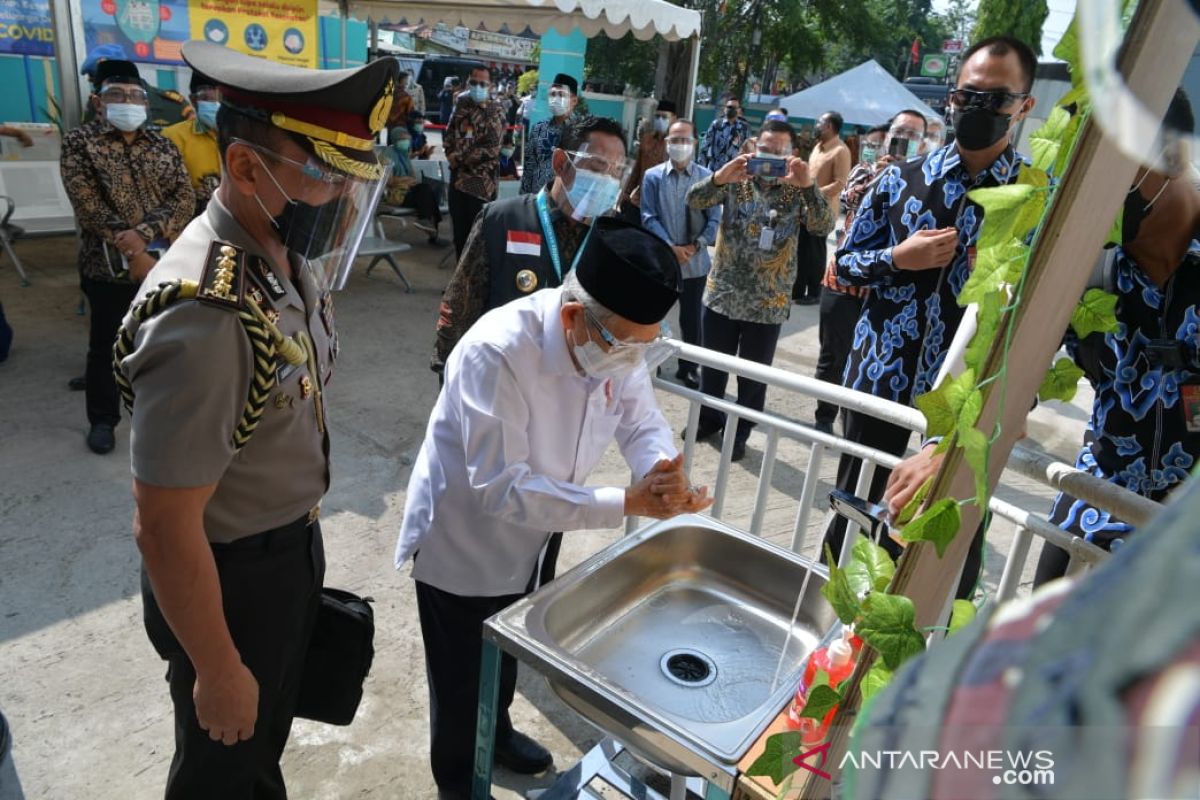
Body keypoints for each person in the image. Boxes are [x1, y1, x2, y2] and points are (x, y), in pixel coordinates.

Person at [114, 42, 397, 798]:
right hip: (229, 577)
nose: (339, 196)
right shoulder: (206, 315)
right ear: (245, 168)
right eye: (325, 173)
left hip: (284, 551)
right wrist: (216, 666)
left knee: (261, 743)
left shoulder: (277, 253)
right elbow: (166, 527)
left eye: (350, 178)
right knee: (224, 765)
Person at [398, 217, 712, 800]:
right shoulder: (499, 350)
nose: (633, 361)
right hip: (465, 536)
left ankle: (500, 730)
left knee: (513, 640)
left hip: (548, 522)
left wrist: (663, 472)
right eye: (626, 346)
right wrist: (627, 500)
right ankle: (459, 782)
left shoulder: (616, 343)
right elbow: (499, 487)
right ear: (573, 317)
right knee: (461, 672)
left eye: (646, 347)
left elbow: (640, 420)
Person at [821, 35, 1038, 599]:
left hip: (963, 410)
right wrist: (899, 257)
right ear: (951, 98)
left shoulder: (1035, 202)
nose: (979, 110)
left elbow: (1040, 321)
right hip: (881, 388)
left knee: (939, 551)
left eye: (996, 99)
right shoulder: (899, 180)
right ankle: (829, 657)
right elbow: (844, 264)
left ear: (1024, 106)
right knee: (855, 529)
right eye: (968, 96)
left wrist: (1011, 405)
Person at [1030, 89, 1200, 587]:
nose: (1085, 195)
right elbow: (1013, 372)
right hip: (1092, 513)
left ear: (1171, 154)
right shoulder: (1087, 271)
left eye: (1105, 171)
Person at [60, 59, 194, 456]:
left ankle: (164, 419)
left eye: (136, 96)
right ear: (98, 102)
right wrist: (133, 249)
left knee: (164, 345)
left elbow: (183, 197)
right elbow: (88, 205)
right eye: (117, 95)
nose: (128, 103)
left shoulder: (163, 145)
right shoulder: (79, 143)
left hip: (162, 263)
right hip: (105, 267)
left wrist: (146, 239)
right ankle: (103, 420)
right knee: (107, 348)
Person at [433, 115, 629, 377]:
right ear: (560, 162)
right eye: (596, 167)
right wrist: (449, 379)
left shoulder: (612, 239)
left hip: (569, 389)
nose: (607, 179)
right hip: (502, 379)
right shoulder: (501, 221)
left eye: (616, 172)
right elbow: (460, 309)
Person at [686, 119, 834, 462]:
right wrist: (720, 177)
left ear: (792, 155)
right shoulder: (737, 181)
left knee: (753, 378)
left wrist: (809, 185)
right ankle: (709, 419)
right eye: (764, 150)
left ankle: (740, 433)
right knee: (713, 369)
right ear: (754, 148)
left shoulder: (798, 188)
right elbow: (694, 200)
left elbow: (822, 225)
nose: (769, 158)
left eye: (778, 152)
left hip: (769, 301)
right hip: (723, 294)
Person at [812, 121, 892, 434]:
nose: (884, 149)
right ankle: (824, 418)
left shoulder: (918, 179)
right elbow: (850, 199)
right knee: (833, 356)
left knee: (867, 361)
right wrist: (881, 176)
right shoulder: (863, 171)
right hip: (842, 284)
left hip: (882, 289)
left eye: (897, 143)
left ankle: (854, 422)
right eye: (877, 143)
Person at [641, 118, 722, 389]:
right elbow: (648, 216)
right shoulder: (653, 176)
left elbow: (714, 220)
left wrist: (695, 245)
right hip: (662, 260)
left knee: (692, 320)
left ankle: (689, 368)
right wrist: (669, 247)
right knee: (654, 315)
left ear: (695, 143)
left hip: (695, 262)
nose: (679, 145)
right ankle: (654, 362)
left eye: (685, 139)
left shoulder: (707, 178)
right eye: (674, 140)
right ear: (666, 143)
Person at [443, 65, 506, 257]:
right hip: (458, 179)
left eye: (482, 83)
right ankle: (458, 284)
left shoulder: (495, 111)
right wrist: (450, 153)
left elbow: (491, 149)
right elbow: (449, 133)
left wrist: (458, 158)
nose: (477, 87)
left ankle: (475, 285)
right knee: (459, 236)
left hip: (480, 183)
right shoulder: (462, 104)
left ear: (491, 85)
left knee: (477, 238)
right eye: (474, 82)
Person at [793, 110, 851, 305]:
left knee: (815, 253)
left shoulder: (841, 151)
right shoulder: (818, 147)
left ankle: (815, 292)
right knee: (801, 249)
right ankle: (798, 289)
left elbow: (840, 183)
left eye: (820, 122)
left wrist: (813, 192)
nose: (816, 126)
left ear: (829, 126)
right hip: (805, 208)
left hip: (823, 211)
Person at [162, 71, 221, 217]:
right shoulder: (172, 136)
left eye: (223, 98)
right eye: (208, 98)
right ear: (193, 100)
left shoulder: (244, 136)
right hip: (190, 223)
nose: (218, 104)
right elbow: (165, 194)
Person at [520, 73, 580, 195]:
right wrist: (523, 199)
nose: (555, 98)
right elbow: (529, 168)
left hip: (565, 202)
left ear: (574, 100)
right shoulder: (538, 129)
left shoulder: (582, 132)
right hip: (537, 199)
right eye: (553, 94)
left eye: (561, 94)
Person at [620, 99, 676, 223]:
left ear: (673, 119)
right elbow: (637, 169)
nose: (660, 120)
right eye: (657, 116)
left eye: (664, 117)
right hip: (639, 200)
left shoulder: (677, 145)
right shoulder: (646, 139)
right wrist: (626, 192)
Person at [384, 125, 443, 244]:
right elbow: (386, 181)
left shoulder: (404, 155)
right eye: (402, 139)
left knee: (431, 190)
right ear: (395, 139)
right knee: (426, 190)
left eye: (406, 139)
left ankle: (428, 224)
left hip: (409, 191)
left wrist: (409, 180)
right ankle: (429, 226)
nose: (406, 142)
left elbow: (413, 178)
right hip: (397, 194)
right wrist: (405, 180)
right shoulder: (387, 156)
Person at [698, 94, 751, 172]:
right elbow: (704, 147)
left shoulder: (744, 128)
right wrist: (701, 169)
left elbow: (748, 150)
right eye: (729, 107)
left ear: (739, 110)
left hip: (733, 173)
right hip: (714, 171)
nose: (732, 109)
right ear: (725, 109)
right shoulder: (716, 124)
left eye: (734, 108)